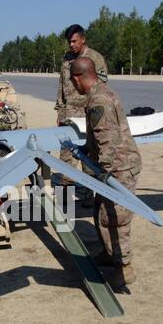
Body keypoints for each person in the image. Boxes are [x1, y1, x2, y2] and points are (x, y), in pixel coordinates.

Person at [69, 57, 142, 288]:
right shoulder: (102, 92)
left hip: (119, 168)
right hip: (114, 165)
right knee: (101, 209)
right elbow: (101, 136)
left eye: (73, 81)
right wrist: (85, 151)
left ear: (78, 78)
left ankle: (125, 267)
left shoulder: (98, 100)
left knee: (113, 218)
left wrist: (104, 175)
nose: (73, 87)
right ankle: (109, 255)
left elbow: (108, 142)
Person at [55, 24, 108, 205]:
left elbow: (102, 88)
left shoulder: (95, 58)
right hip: (68, 115)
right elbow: (62, 85)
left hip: (87, 114)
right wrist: (60, 111)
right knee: (66, 157)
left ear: (83, 39)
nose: (71, 45)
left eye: (74, 41)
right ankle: (65, 199)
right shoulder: (66, 59)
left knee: (89, 157)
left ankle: (88, 195)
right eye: (69, 41)